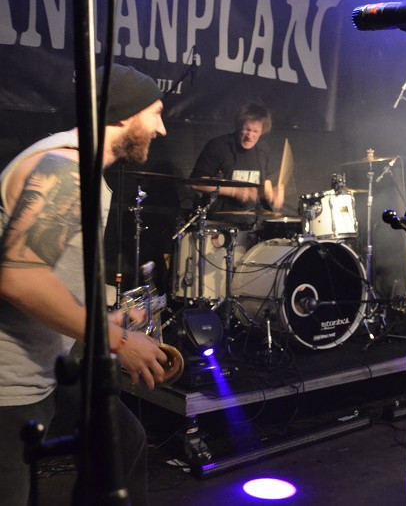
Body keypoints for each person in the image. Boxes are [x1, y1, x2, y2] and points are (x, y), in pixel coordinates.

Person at [0, 64, 170, 506]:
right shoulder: (66, 167)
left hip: (42, 372)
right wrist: (115, 339)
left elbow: (43, 276)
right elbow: (19, 278)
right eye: (155, 113)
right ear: (123, 115)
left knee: (122, 440)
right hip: (7, 388)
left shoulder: (73, 167)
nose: (162, 128)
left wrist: (106, 319)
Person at [190, 101, 285, 215]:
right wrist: (234, 191)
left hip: (252, 222)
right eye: (247, 129)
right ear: (239, 126)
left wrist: (273, 194)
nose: (250, 136)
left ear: (262, 131)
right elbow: (195, 183)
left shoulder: (263, 149)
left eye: (256, 131)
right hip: (220, 221)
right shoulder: (218, 146)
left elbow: (266, 181)